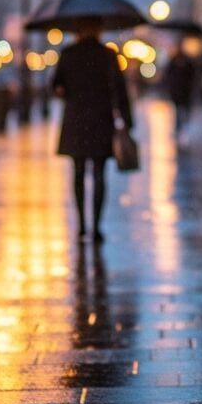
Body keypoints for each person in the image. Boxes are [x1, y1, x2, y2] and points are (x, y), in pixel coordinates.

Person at [51, 18, 133, 243]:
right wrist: (127, 120)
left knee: (78, 173)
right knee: (99, 173)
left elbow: (57, 86)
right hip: (100, 119)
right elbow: (120, 89)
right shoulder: (107, 55)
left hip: (76, 120)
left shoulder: (68, 54)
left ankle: (81, 226)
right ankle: (96, 227)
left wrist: (68, 92)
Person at [163, 41, 196, 134]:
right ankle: (179, 128)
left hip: (184, 90)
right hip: (178, 90)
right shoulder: (173, 61)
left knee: (183, 109)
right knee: (179, 110)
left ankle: (183, 128)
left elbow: (191, 74)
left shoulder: (187, 61)